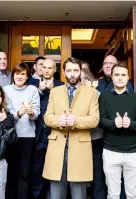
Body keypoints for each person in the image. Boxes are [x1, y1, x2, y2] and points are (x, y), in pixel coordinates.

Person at [42, 57, 99, 199]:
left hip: (80, 147)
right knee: (56, 194)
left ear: (80, 72)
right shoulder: (55, 91)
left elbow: (95, 119)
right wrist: (58, 121)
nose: (72, 74)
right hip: (57, 146)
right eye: (69, 71)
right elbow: (47, 117)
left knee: (79, 194)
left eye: (75, 70)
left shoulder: (91, 92)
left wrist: (76, 121)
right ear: (63, 72)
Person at [99, 62, 136, 199]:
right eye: (117, 75)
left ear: (128, 77)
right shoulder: (104, 97)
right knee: (113, 194)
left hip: (133, 152)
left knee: (132, 194)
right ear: (112, 77)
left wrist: (130, 124)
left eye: (123, 75)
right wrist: (114, 123)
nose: (120, 78)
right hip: (110, 152)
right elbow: (100, 121)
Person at [92, 57, 131, 199]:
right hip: (97, 135)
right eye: (105, 63)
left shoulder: (127, 85)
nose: (108, 66)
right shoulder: (97, 83)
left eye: (111, 64)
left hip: (116, 136)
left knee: (118, 174)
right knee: (99, 171)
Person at [3, 62, 40, 199]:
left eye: (23, 74)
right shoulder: (6, 90)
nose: (19, 76)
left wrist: (30, 113)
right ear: (13, 75)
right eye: (17, 73)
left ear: (27, 76)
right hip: (10, 136)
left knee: (25, 173)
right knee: (11, 172)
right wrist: (18, 113)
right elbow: (6, 113)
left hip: (28, 136)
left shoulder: (32, 89)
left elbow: (36, 112)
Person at [31, 58, 64, 199]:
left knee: (55, 172)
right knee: (37, 171)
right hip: (38, 136)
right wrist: (40, 91)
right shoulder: (33, 87)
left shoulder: (61, 86)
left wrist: (53, 91)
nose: (46, 70)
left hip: (56, 135)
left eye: (50, 68)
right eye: (44, 67)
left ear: (54, 70)